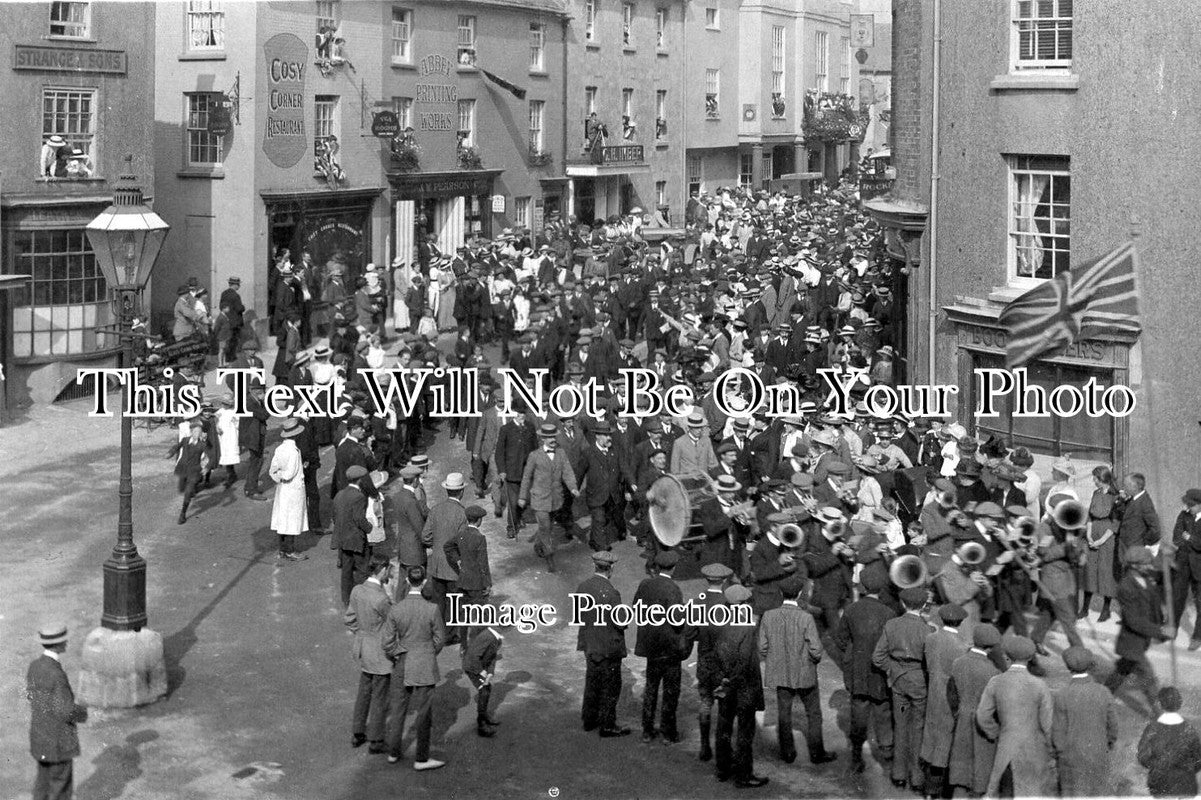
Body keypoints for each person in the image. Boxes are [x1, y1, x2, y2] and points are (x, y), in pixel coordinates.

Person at [758, 574, 833, 766]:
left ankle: (788, 752)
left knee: (784, 711)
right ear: (800, 593)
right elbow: (816, 649)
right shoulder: (806, 617)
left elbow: (762, 647)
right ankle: (817, 753)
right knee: (813, 713)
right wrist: (811, 661)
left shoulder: (768, 615)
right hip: (804, 671)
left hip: (780, 672)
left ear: (781, 593)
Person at [381, 566, 446, 770]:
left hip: (402, 662)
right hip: (424, 664)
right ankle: (421, 758)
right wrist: (428, 652)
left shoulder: (396, 609)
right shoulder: (432, 609)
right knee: (424, 712)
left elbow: (387, 642)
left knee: (399, 709)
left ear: (407, 582)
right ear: (424, 582)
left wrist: (399, 652)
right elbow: (440, 639)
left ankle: (393, 752)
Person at [832, 569, 896, 775]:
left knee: (858, 712)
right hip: (880, 672)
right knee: (883, 711)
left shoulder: (851, 610)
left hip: (857, 669)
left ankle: (856, 757)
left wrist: (853, 652)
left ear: (863, 587)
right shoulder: (889, 613)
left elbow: (841, 639)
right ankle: (887, 758)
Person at [975, 634, 1053, 797]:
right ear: (1031, 657)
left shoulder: (996, 681)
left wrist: (996, 732)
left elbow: (983, 716)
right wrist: (1051, 750)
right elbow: (1048, 724)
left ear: (1006, 656)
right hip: (1034, 750)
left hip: (1006, 748)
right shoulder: (1040, 685)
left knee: (1006, 790)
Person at [871, 586, 933, 793]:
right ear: (924, 606)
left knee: (900, 725)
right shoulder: (928, 630)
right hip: (919, 682)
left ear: (903, 604)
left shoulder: (892, 624)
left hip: (898, 681)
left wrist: (894, 670)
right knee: (917, 728)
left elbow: (877, 657)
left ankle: (898, 775)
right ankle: (916, 777)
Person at [1104, 545, 1174, 713]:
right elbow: (1134, 621)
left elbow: (1160, 578)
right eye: (1146, 563)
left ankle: (1102, 697)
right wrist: (1161, 631)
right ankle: (1161, 716)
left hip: (1141, 640)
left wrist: (1167, 560)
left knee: (1122, 671)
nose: (1149, 566)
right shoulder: (1126, 587)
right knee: (1148, 679)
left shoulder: (1144, 577)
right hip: (1131, 642)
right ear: (1135, 565)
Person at [713, 583, 768, 788]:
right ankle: (744, 775)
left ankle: (722, 769)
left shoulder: (720, 623)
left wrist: (723, 681)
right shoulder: (746, 628)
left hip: (725, 684)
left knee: (724, 728)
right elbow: (744, 662)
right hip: (743, 688)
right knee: (745, 732)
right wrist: (731, 682)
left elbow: (715, 654)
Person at [632, 550, 687, 744]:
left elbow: (636, 608)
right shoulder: (673, 589)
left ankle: (647, 730)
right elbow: (678, 620)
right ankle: (667, 731)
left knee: (651, 688)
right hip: (669, 648)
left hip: (651, 647)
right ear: (673, 567)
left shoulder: (645, 584)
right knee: (671, 692)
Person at [27, 622, 86, 800]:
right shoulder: (57, 673)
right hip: (58, 743)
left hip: (40, 738)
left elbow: (32, 697)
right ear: (58, 644)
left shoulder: (34, 666)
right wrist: (82, 713)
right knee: (60, 789)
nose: (66, 643)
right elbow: (66, 711)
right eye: (64, 641)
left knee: (42, 786)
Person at [576, 551, 630, 738]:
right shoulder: (612, 593)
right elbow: (621, 622)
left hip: (590, 644)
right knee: (611, 686)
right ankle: (608, 725)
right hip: (609, 647)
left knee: (592, 681)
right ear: (611, 569)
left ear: (595, 566)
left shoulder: (583, 587)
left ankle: (589, 720)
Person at [1051, 646, 1118, 798]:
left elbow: (1057, 732)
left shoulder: (1063, 695)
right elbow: (1113, 727)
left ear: (1068, 667)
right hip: (1098, 752)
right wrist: (1107, 744)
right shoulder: (1103, 692)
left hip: (1071, 757)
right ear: (1089, 666)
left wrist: (1059, 754)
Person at [946, 623, 1002, 798]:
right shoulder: (993, 672)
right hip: (982, 724)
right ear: (991, 647)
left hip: (962, 719)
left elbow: (952, 695)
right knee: (980, 767)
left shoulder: (958, 663)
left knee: (960, 766)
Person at [920, 603, 970, 798]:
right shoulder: (962, 646)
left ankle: (928, 789)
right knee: (945, 742)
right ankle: (938, 790)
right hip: (951, 699)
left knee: (931, 737)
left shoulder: (931, 638)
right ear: (960, 622)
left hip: (933, 693)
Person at [345, 555, 393, 753]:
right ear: (382, 570)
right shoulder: (381, 599)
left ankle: (358, 732)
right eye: (389, 569)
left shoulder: (357, 590)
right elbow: (394, 623)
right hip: (380, 652)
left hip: (364, 647)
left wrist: (362, 634)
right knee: (380, 696)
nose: (390, 573)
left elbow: (349, 619)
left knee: (364, 691)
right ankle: (376, 739)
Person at [518, 423, 580, 573]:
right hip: (540, 499)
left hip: (556, 499)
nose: (552, 439)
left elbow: (568, 472)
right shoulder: (534, 456)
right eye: (549, 437)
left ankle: (539, 545)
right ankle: (550, 558)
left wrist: (573, 487)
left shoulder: (561, 453)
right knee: (546, 528)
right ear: (542, 439)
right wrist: (522, 497)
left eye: (554, 436)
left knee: (547, 526)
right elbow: (526, 477)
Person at [688, 562, 733, 763]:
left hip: (705, 661)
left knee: (705, 703)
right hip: (724, 664)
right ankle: (724, 749)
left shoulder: (697, 602)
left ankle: (704, 746)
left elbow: (690, 632)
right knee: (725, 707)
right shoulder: (729, 603)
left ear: (707, 580)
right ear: (724, 580)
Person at [422, 472, 469, 642]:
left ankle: (437, 633)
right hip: (454, 566)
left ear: (446, 491)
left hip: (436, 565)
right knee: (454, 602)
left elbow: (425, 536)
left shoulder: (435, 510)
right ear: (461, 492)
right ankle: (449, 635)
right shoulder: (462, 514)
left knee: (438, 601)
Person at [1138, 687, 1201, 798]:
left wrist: (1158, 767)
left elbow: (1142, 757)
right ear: (1179, 703)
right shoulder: (1189, 730)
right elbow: (1198, 760)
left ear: (1160, 704)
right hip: (1186, 785)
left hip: (1160, 785)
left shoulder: (1152, 729)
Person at [443, 505, 492, 646]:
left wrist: (457, 560)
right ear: (479, 521)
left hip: (463, 581)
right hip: (476, 583)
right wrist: (487, 583)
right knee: (482, 614)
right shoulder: (480, 538)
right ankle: (480, 644)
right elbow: (483, 564)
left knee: (464, 615)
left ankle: (464, 645)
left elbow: (447, 546)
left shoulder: (461, 534)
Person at [1080, 466, 1120, 622]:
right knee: (1090, 571)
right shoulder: (1095, 494)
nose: (1093, 481)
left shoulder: (1115, 497)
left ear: (1102, 479)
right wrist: (1089, 535)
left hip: (1107, 537)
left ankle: (1106, 609)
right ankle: (1084, 608)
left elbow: (1115, 523)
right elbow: (1090, 516)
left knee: (1105, 573)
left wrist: (1101, 540)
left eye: (1095, 478)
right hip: (1093, 532)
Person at [269, 420, 310, 561]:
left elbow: (273, 469)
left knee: (282, 518)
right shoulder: (294, 451)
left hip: (282, 488)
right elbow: (291, 472)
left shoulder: (279, 449)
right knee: (292, 519)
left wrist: (279, 478)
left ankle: (281, 549)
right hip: (294, 488)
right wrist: (288, 475)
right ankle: (290, 550)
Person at [333, 465, 373, 607]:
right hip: (356, 539)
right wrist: (369, 528)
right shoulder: (359, 496)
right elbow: (359, 518)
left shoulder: (340, 494)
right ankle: (362, 601)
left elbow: (335, 516)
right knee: (362, 570)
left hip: (342, 539)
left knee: (346, 570)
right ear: (360, 480)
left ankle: (346, 600)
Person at [1169, 488, 1201, 649]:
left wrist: (1190, 538)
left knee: (1200, 602)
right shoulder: (1183, 516)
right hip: (1182, 563)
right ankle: (1172, 628)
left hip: (1199, 567)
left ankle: (1197, 636)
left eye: (1192, 505)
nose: (1189, 508)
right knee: (1177, 597)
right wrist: (1190, 541)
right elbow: (1176, 538)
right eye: (1188, 504)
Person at [462, 622, 504, 738]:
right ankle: (481, 725)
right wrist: (481, 672)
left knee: (486, 688)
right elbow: (473, 656)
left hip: (480, 666)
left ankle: (484, 716)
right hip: (472, 667)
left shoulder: (496, 638)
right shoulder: (487, 637)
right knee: (484, 690)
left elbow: (493, 657)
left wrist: (490, 673)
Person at [168, 419, 211, 524]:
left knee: (188, 492)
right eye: (195, 431)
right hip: (183, 468)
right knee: (182, 488)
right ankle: (192, 488)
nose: (197, 434)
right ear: (191, 432)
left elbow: (208, 457)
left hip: (194, 470)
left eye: (199, 432)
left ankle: (183, 513)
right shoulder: (185, 440)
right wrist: (170, 453)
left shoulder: (202, 445)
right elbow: (177, 447)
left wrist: (206, 467)